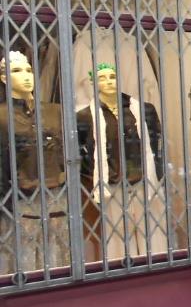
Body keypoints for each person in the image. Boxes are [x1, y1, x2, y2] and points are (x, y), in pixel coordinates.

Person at [77, 63, 168, 260]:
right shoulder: (85, 116)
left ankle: (157, 273)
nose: (109, 81)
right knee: (117, 239)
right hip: (113, 188)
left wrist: (157, 175)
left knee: (152, 235)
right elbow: (79, 152)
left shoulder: (144, 109)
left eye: (112, 77)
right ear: (93, 82)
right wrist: (97, 174)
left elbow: (157, 143)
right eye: (102, 78)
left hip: (145, 184)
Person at [0, 51, 70, 276]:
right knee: (25, 259)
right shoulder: (1, 116)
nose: (26, 76)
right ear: (4, 78)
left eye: (29, 70)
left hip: (57, 194)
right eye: (17, 71)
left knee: (60, 253)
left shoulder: (54, 111)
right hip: (20, 199)